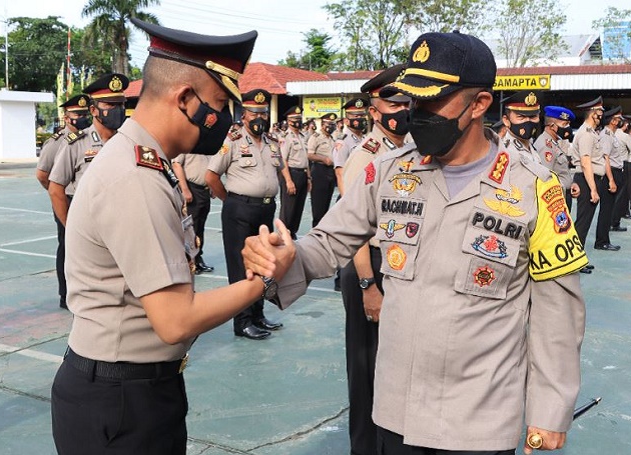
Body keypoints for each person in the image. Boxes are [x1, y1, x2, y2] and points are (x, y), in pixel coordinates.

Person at [243, 31, 587, 455]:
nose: (417, 114)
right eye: (412, 101)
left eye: (432, 101)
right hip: (396, 411)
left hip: (477, 421)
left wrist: (549, 413)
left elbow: (558, 313)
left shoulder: (534, 187)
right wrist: (284, 258)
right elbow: (329, 242)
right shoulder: (389, 171)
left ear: (479, 104)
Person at [50, 20, 294, 454]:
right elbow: (175, 320)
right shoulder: (134, 177)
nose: (228, 120)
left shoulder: (149, 162)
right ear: (184, 99)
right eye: (221, 104)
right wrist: (264, 279)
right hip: (121, 399)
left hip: (133, 387)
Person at [339, 63, 409, 455]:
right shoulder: (365, 155)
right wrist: (368, 286)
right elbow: (354, 231)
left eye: (406, 102)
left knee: (393, 365)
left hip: (399, 264)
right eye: (394, 103)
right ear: (374, 109)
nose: (402, 110)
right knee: (366, 370)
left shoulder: (409, 148)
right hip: (371, 266)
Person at [205, 89, 285, 340]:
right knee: (241, 268)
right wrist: (230, 201)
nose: (259, 117)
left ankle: (258, 315)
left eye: (263, 112)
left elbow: (279, 171)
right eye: (254, 113)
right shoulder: (232, 141)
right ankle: (242, 322)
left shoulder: (272, 143)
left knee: (263, 264)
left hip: (266, 208)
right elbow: (211, 176)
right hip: (239, 209)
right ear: (244, 115)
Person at [48, 73, 129, 229]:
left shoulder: (128, 142)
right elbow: (55, 189)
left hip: (122, 224)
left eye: (120, 105)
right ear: (93, 110)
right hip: (90, 226)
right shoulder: (76, 144)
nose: (117, 110)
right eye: (110, 105)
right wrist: (71, 228)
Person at [36, 94, 92, 309]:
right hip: (66, 199)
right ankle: (65, 293)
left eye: (85, 113)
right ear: (66, 117)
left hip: (86, 200)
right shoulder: (57, 142)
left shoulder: (91, 138)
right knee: (68, 247)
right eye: (77, 114)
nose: (82, 118)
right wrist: (57, 194)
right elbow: (42, 174)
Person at [570, 96, 617, 261]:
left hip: (590, 179)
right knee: (582, 222)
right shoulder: (586, 134)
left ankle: (577, 258)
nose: (602, 115)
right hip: (587, 180)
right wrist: (593, 189)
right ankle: (574, 259)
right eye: (600, 112)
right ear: (593, 114)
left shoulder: (592, 133)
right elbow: (585, 162)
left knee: (585, 221)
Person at [172, 153, 214, 275]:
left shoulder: (205, 145)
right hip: (192, 188)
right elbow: (176, 165)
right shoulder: (187, 144)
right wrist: (184, 189)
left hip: (204, 189)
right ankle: (189, 261)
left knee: (200, 226)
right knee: (191, 228)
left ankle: (198, 258)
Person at [534, 106, 577, 210]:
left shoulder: (554, 143)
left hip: (563, 195)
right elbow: (546, 178)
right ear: (552, 126)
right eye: (564, 124)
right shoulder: (545, 146)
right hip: (555, 200)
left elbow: (560, 171)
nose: (567, 128)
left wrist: (571, 184)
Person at [279, 106, 310, 239]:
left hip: (302, 174)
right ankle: (283, 234)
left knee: (298, 207)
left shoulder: (302, 136)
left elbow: (306, 159)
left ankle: (292, 233)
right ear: (289, 121)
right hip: (291, 173)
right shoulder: (286, 137)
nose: (298, 121)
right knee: (289, 208)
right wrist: (288, 181)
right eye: (295, 119)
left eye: (299, 118)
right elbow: (283, 160)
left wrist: (309, 178)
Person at [599, 106, 629, 236]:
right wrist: (611, 180)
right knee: (606, 209)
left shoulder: (612, 135)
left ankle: (604, 239)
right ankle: (602, 240)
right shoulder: (606, 135)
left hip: (616, 172)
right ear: (613, 121)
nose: (621, 121)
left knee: (610, 207)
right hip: (610, 173)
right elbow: (606, 158)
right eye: (619, 119)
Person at [307, 112, 338, 227]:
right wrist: (323, 159)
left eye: (332, 124)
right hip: (320, 170)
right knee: (318, 205)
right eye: (328, 124)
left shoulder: (333, 138)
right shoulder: (315, 137)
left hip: (331, 172)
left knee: (327, 204)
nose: (330, 126)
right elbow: (309, 155)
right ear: (322, 124)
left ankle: (323, 230)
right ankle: (316, 230)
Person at [334, 98, 369, 195]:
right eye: (356, 116)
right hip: (351, 191)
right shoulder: (343, 141)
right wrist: (345, 199)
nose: (360, 118)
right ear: (346, 121)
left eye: (362, 115)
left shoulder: (366, 139)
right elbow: (340, 173)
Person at [500, 90, 542, 162]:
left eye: (533, 117)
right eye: (521, 117)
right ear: (506, 120)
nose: (528, 121)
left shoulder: (532, 146)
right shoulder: (504, 152)